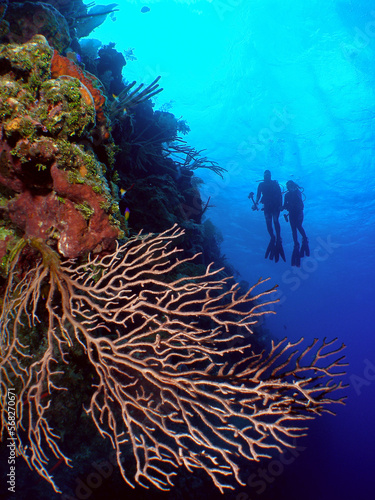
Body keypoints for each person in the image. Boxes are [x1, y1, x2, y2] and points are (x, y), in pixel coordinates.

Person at [249, 170, 285, 262]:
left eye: (268, 175)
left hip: (276, 206)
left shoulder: (275, 184)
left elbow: (280, 196)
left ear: (270, 176)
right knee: (268, 223)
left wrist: (281, 205)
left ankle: (278, 237)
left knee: (276, 221)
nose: (267, 177)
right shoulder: (261, 185)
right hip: (267, 206)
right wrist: (256, 203)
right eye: (266, 175)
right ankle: (273, 237)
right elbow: (258, 195)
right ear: (264, 176)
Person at [283, 180, 310, 267]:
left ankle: (305, 239)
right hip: (291, 214)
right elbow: (284, 205)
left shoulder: (297, 192)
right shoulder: (286, 195)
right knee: (293, 230)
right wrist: (282, 207)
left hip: (298, 213)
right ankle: (296, 245)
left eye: (291, 185)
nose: (289, 187)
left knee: (298, 226)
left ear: (294, 185)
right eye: (288, 186)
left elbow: (300, 202)